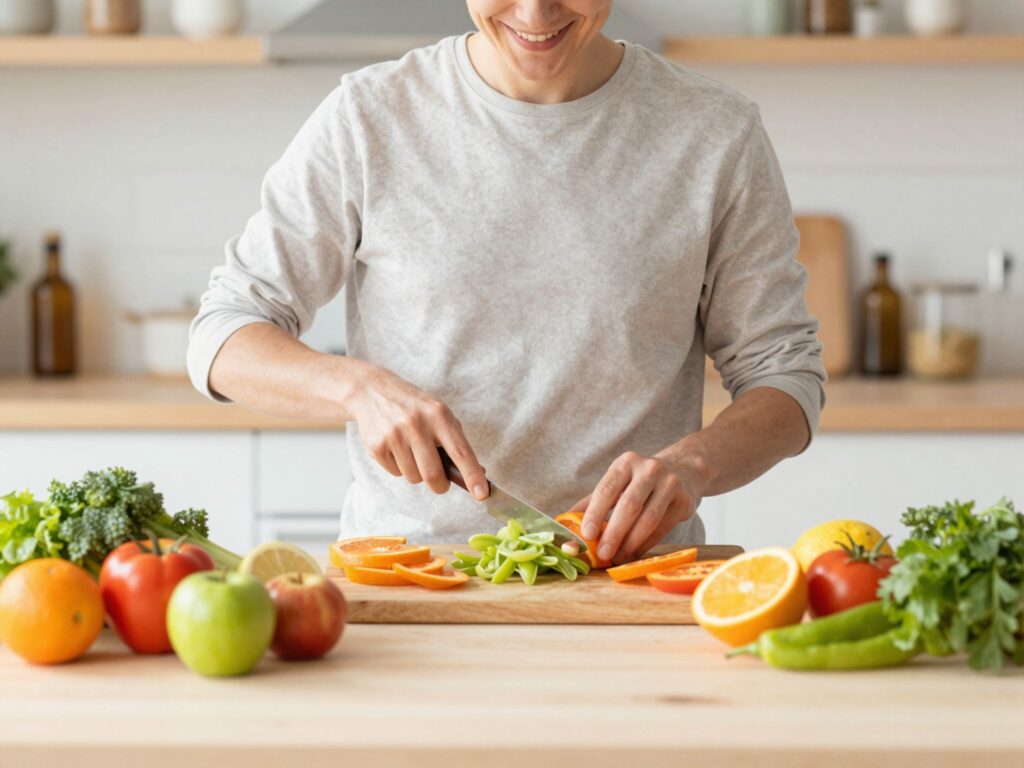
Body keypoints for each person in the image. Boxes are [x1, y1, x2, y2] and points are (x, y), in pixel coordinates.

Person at [188, 0, 826, 566]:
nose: (535, 13)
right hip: (409, 580)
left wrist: (694, 463)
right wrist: (358, 389)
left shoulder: (716, 132)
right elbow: (222, 333)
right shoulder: (369, 117)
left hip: (632, 584)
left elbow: (785, 375)